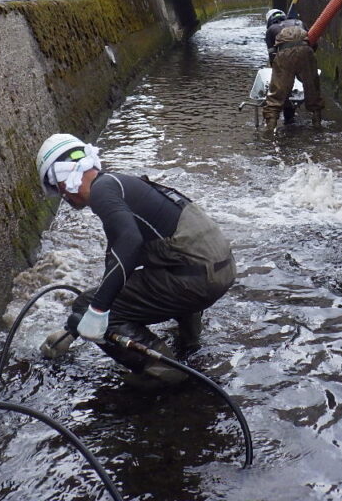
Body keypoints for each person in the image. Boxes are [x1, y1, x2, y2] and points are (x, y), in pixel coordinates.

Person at [35, 133, 236, 388]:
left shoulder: (102, 192)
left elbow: (129, 242)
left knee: (87, 303)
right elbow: (117, 261)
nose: (62, 196)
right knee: (158, 271)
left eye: (56, 189)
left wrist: (94, 312)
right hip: (221, 270)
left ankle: (163, 370)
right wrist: (72, 330)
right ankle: (190, 343)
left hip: (197, 279)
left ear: (62, 183)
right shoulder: (120, 185)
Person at [262, 8, 324, 133]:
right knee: (312, 88)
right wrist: (307, 63)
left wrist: (280, 76)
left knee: (276, 95)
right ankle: (317, 124)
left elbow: (273, 57)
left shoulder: (271, 30)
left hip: (284, 53)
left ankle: (270, 130)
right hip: (306, 51)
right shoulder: (299, 22)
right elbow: (313, 43)